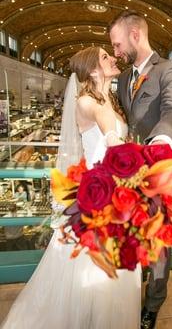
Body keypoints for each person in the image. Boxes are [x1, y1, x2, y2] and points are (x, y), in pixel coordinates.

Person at [1, 46, 141, 329]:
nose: (112, 59)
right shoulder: (88, 102)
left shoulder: (108, 99)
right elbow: (113, 143)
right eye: (105, 57)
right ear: (92, 70)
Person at [109, 10, 172, 329]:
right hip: (128, 175)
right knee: (133, 236)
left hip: (159, 175)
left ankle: (153, 304)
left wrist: (162, 140)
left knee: (158, 244)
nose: (116, 53)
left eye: (117, 45)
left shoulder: (170, 69)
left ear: (135, 35)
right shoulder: (125, 78)